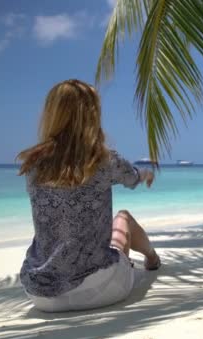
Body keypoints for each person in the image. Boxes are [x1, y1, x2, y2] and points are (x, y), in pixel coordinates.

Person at [17, 79, 160, 312]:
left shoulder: (33, 164)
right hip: (99, 290)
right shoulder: (104, 160)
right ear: (92, 115)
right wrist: (146, 174)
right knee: (123, 218)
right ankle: (152, 259)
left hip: (41, 295)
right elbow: (132, 177)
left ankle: (150, 258)